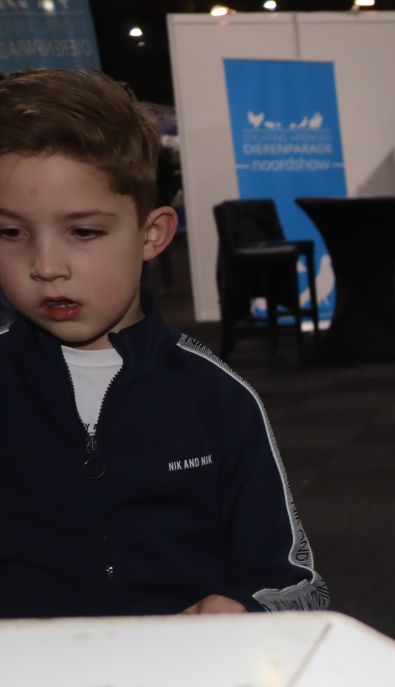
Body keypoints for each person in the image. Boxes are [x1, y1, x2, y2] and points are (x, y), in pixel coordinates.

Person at [0, 69, 328, 617]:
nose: (46, 267)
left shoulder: (218, 397)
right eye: (9, 233)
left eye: (85, 232)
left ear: (153, 234)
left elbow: (296, 586)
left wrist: (244, 608)